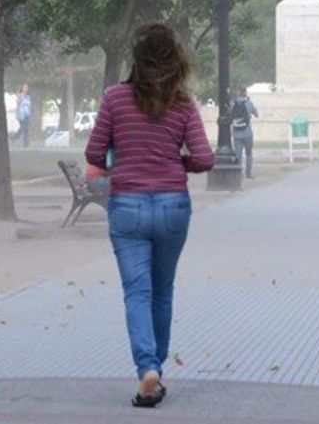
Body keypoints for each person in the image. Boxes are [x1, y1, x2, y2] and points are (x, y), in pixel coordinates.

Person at [85, 23, 214, 408]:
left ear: (137, 59)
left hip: (128, 206)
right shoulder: (183, 104)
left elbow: (94, 154)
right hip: (173, 206)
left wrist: (124, 156)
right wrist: (175, 162)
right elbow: (205, 159)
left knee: (137, 292)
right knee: (163, 290)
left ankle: (147, 369)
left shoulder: (114, 98)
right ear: (175, 60)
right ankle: (155, 368)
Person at [229, 88, 258, 179]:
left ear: (237, 94)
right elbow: (256, 114)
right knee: (249, 153)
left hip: (236, 134)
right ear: (245, 93)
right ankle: (248, 173)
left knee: (238, 154)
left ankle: (239, 174)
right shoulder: (249, 103)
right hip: (248, 133)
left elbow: (229, 116)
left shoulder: (232, 104)